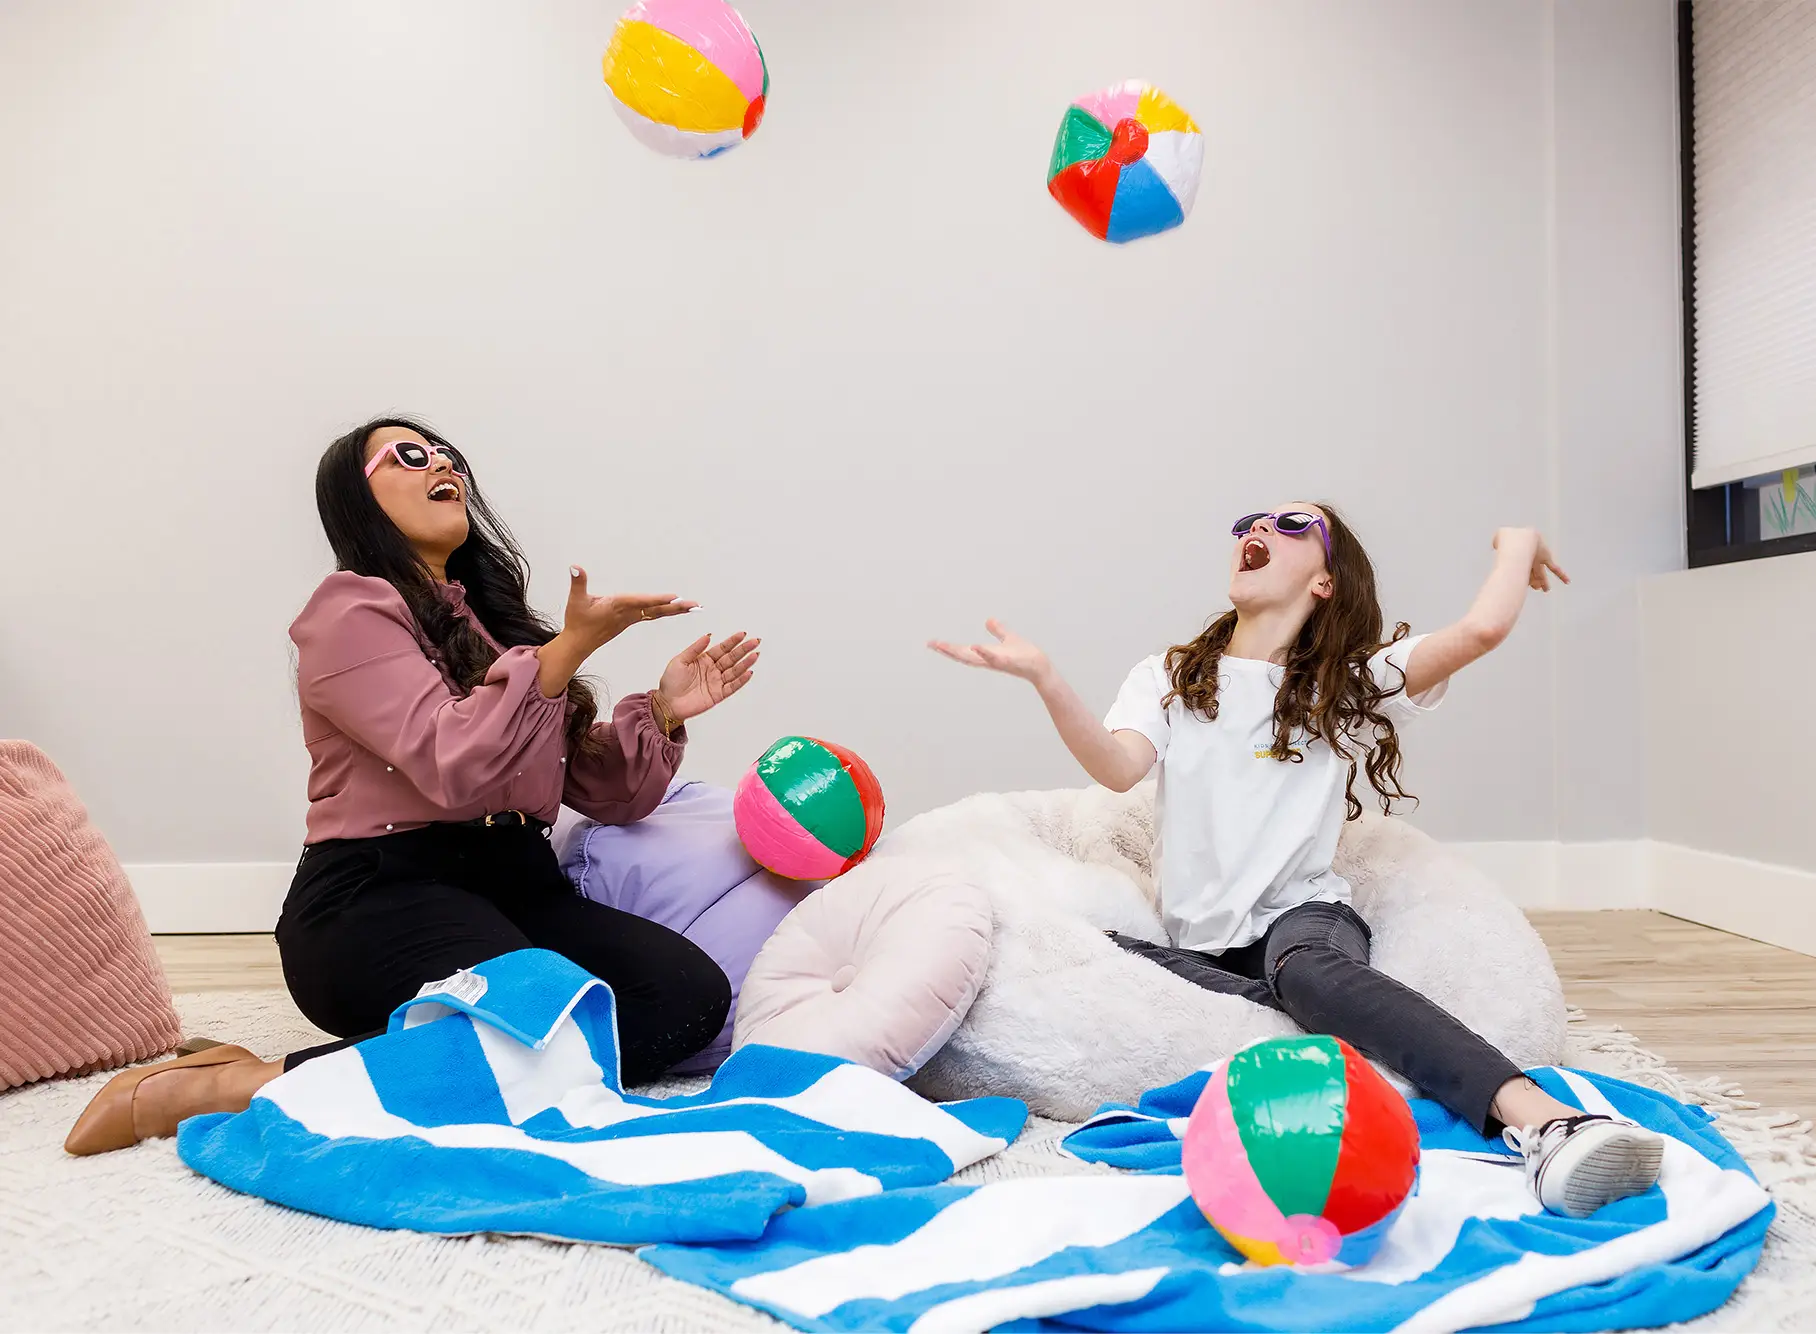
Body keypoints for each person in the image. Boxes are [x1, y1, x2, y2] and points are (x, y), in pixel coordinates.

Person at [930, 503, 1664, 1219]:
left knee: (1306, 974)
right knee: (1104, 948)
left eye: (1290, 525)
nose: (1257, 530)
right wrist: (1047, 680)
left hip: (1304, 922)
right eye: (1250, 521)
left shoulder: (1345, 683)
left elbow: (1483, 628)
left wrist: (1517, 541)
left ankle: (1545, 1120)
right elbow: (1119, 769)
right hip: (1204, 948)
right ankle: (1368, 1051)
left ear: (1325, 581)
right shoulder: (1173, 677)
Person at [67, 418, 755, 1155]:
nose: (442, 464)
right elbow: (451, 764)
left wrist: (662, 708)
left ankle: (385, 1062)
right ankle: (234, 1087)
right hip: (379, 895)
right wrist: (565, 652)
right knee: (541, 1020)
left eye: (448, 454)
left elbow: (609, 792)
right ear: (356, 501)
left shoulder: (500, 632)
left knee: (686, 1000)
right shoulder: (345, 613)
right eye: (410, 455)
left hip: (518, 890)